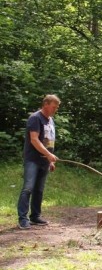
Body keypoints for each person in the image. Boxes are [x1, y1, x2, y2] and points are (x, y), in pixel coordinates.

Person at [17, 94, 61, 229]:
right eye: (54, 107)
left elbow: (48, 140)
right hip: (33, 160)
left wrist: (50, 160)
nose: (55, 109)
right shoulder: (35, 118)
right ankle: (23, 219)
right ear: (46, 104)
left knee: (39, 190)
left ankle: (35, 216)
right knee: (28, 188)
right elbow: (34, 140)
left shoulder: (51, 120)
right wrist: (48, 154)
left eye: (57, 107)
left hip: (44, 161)